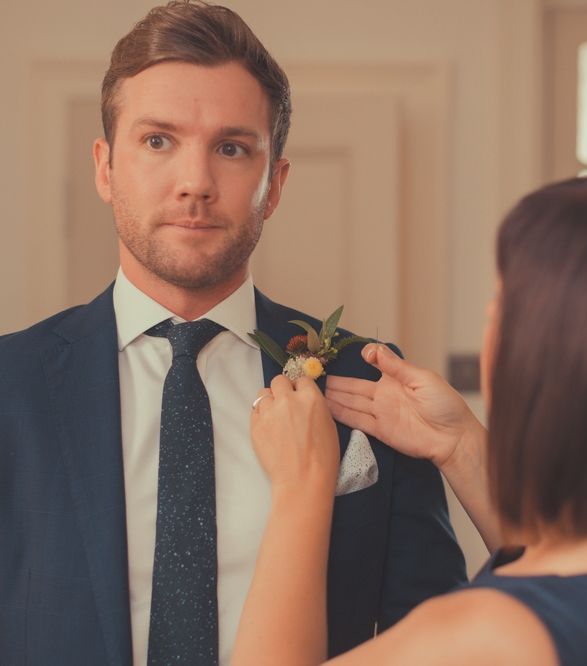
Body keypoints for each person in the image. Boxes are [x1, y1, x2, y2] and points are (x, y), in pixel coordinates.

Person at [0, 2, 466, 664]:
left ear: (273, 184)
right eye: (158, 141)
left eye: (231, 148)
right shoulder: (10, 388)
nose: (195, 183)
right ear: (105, 168)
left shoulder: (368, 383)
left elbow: (437, 639)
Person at [233, 177, 587, 665]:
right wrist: (459, 445)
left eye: (502, 306)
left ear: (537, 363)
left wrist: (302, 487)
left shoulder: (486, 638)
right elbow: (575, 578)